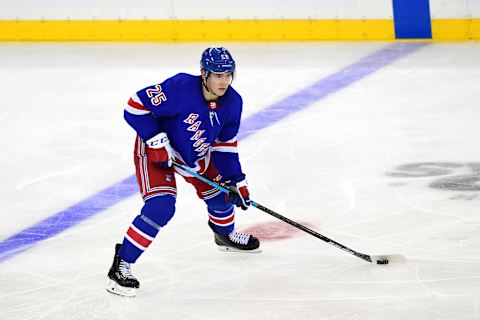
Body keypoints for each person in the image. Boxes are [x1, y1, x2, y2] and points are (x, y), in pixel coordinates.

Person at [107, 47, 261, 297]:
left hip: (196, 153)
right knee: (161, 207)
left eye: (228, 75)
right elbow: (134, 107)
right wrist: (155, 139)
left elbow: (223, 146)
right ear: (203, 74)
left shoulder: (233, 103)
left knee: (222, 195)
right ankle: (122, 264)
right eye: (217, 75)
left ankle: (224, 236)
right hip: (157, 152)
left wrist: (236, 180)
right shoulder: (179, 88)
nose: (224, 81)